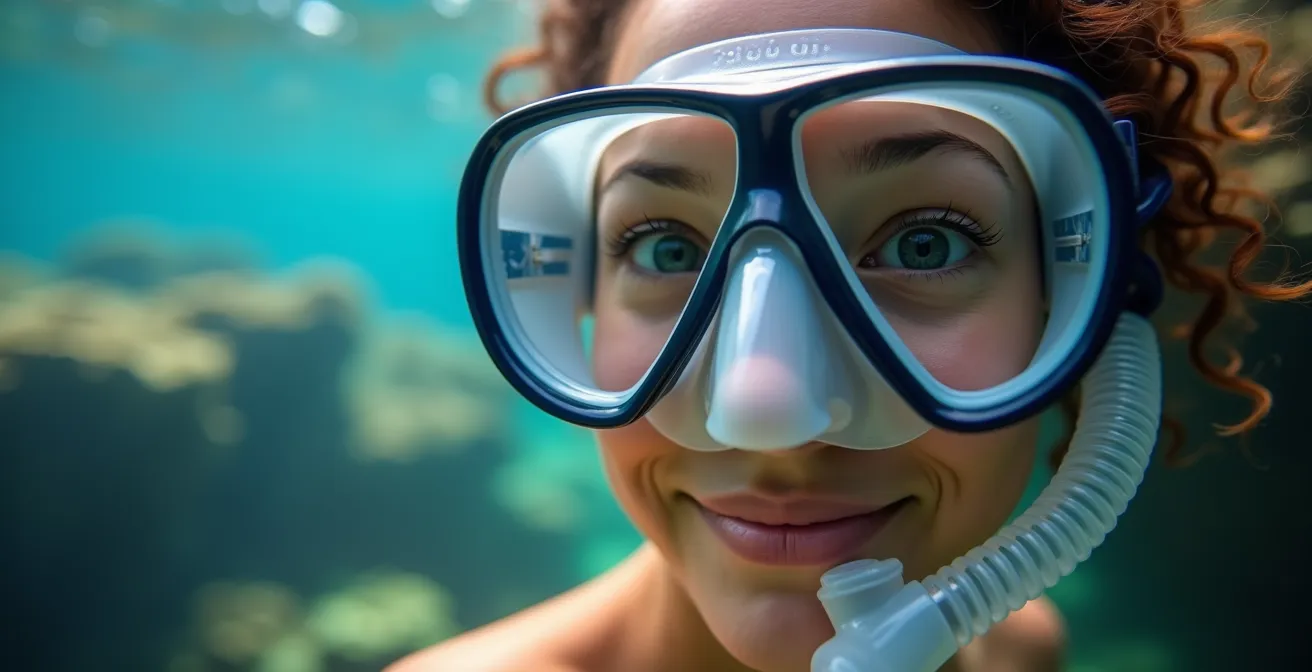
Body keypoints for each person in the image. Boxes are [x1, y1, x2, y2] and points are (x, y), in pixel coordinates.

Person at [392, 0, 1306, 670]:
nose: (768, 414)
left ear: (1080, 291)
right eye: (665, 245)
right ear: (578, 289)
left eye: (924, 241)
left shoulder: (1023, 648)